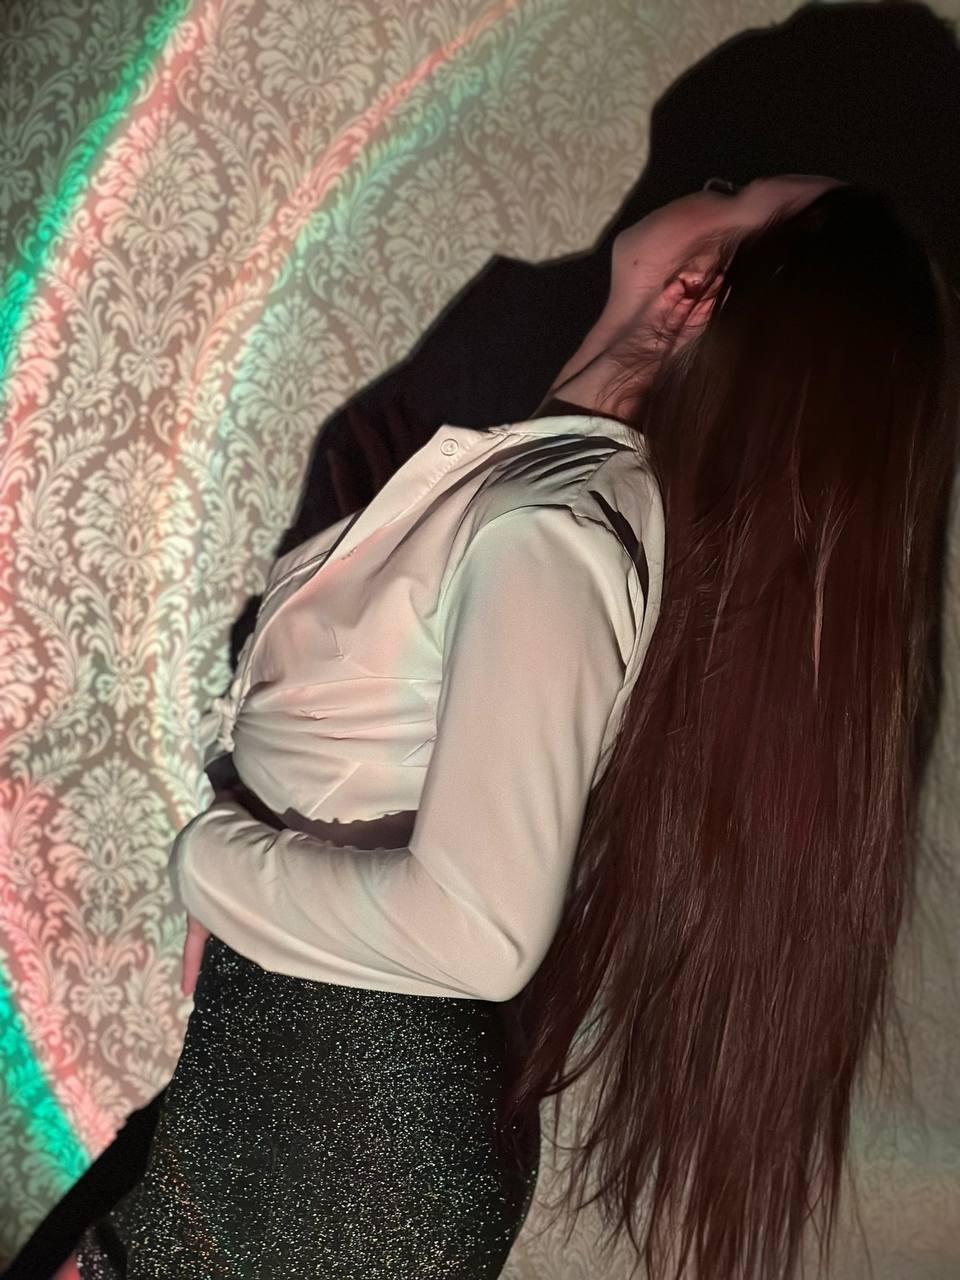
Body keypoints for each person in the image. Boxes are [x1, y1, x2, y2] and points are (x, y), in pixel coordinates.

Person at [62, 172, 959, 1279]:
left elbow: (474, 930)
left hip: (345, 1134)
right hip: (311, 1093)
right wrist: (249, 873)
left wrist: (208, 863)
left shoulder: (557, 524)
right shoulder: (549, 486)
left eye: (727, 188)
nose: (696, 180)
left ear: (699, 283)